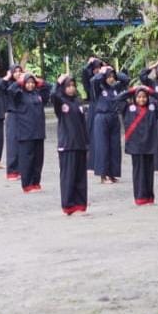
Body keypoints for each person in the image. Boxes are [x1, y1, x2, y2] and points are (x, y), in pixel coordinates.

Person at [6, 71, 51, 193]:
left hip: (38, 132)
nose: (30, 85)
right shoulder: (19, 95)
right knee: (27, 160)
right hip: (25, 133)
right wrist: (19, 81)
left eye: (32, 83)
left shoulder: (38, 94)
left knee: (38, 160)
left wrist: (38, 80)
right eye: (28, 83)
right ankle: (27, 184)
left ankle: (36, 182)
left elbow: (48, 88)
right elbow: (10, 90)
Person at [51, 74, 89, 215]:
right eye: (68, 86)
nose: (71, 88)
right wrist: (58, 82)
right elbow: (53, 95)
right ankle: (68, 205)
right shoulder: (60, 103)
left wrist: (87, 143)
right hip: (67, 145)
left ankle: (80, 203)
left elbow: (83, 124)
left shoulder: (78, 102)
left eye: (73, 86)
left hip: (80, 144)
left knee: (80, 177)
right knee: (68, 176)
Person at [88, 64, 129, 185]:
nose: (111, 79)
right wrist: (102, 72)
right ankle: (103, 175)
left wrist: (114, 71)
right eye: (109, 77)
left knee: (114, 146)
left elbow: (126, 79)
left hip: (114, 117)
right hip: (101, 118)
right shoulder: (99, 87)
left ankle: (112, 174)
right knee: (102, 146)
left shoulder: (116, 88)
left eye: (112, 77)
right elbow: (93, 80)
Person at [124, 86, 157, 206]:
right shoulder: (128, 108)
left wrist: (149, 90)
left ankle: (149, 197)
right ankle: (140, 197)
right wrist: (131, 90)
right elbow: (117, 99)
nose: (141, 99)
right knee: (139, 172)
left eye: (144, 97)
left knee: (149, 172)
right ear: (134, 98)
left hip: (149, 144)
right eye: (138, 97)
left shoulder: (153, 108)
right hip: (135, 145)